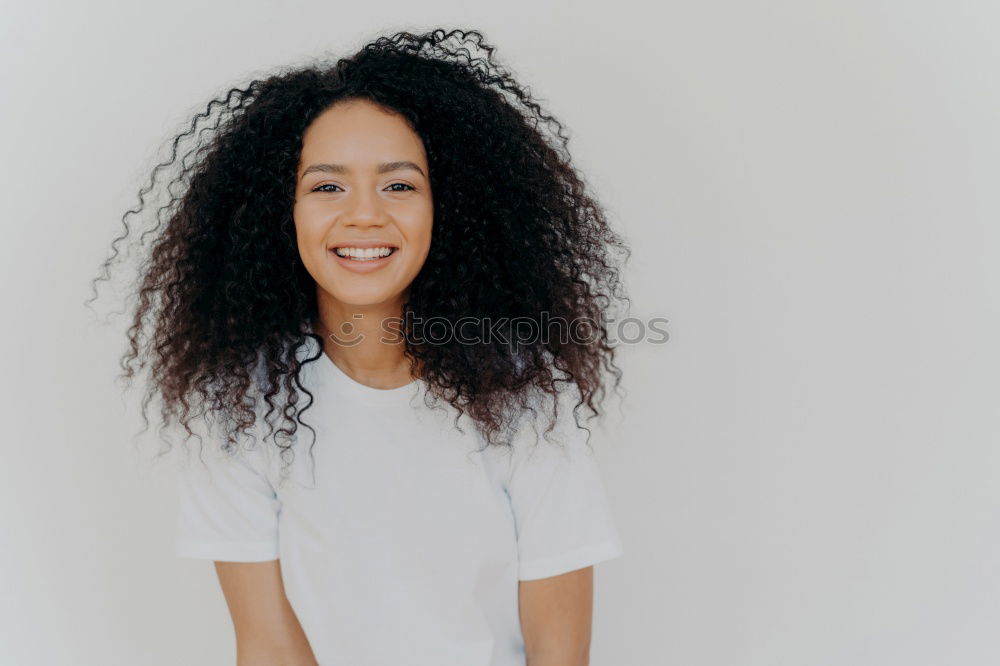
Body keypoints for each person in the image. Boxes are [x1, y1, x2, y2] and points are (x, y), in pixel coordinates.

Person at [92, 27, 631, 666]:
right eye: (327, 187)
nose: (365, 216)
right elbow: (266, 644)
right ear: (279, 211)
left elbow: (559, 649)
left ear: (448, 208)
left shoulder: (526, 391)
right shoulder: (239, 401)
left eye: (399, 185)